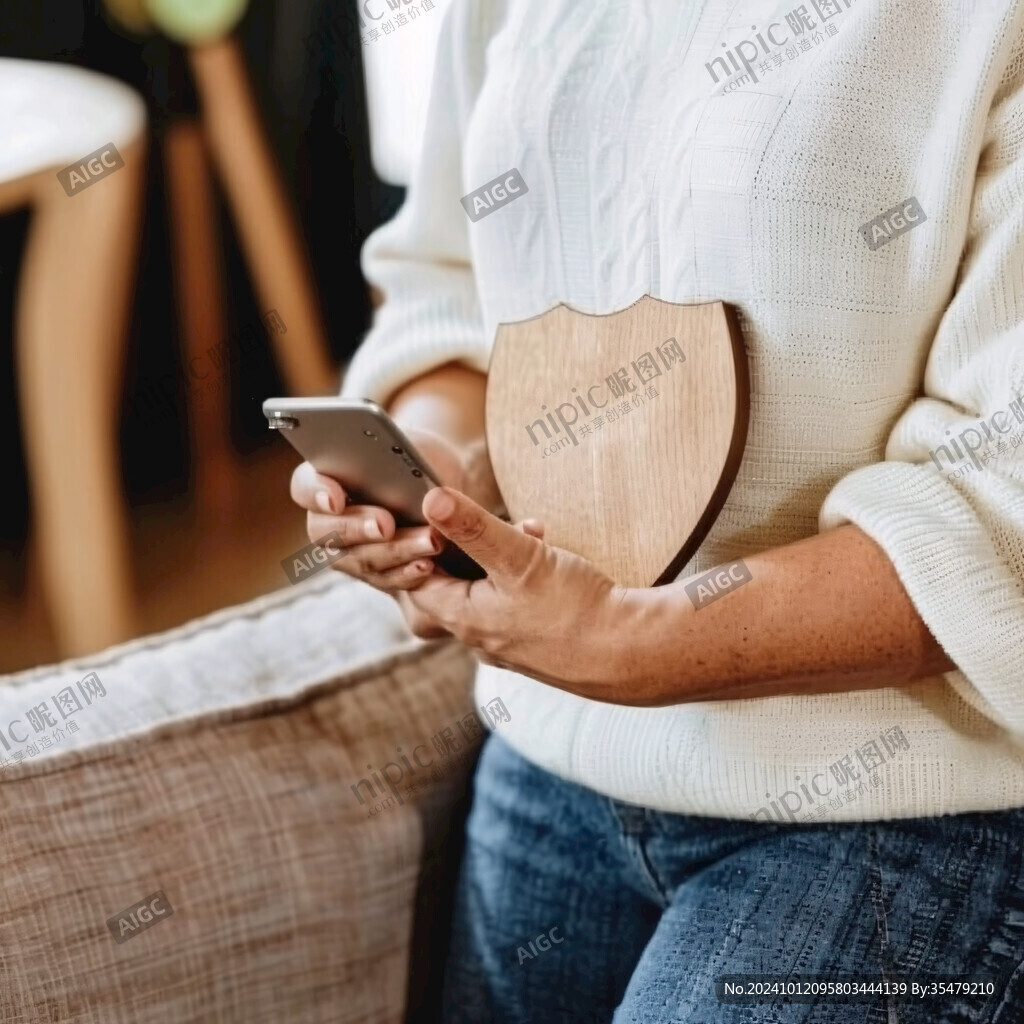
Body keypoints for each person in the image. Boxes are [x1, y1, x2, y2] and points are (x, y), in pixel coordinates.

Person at [290, 1, 1024, 1020]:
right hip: (551, 751)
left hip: (896, 805)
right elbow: (449, 286)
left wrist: (628, 640)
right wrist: (439, 487)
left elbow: (1004, 508)